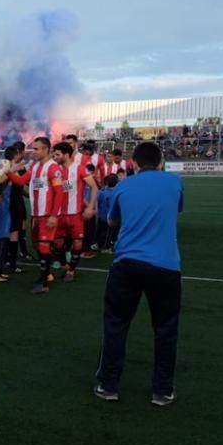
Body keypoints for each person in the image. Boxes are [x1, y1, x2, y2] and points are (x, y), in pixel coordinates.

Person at [95, 142, 183, 406]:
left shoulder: (122, 186)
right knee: (166, 330)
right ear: (160, 162)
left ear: (133, 163)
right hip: (166, 266)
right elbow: (175, 210)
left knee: (116, 324)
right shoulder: (174, 182)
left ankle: (109, 385)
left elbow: (111, 221)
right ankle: (162, 390)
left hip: (127, 263)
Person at [7, 137, 64, 294]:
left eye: (37, 149)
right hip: (37, 214)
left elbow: (59, 193)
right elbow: (21, 181)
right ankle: (47, 274)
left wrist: (53, 215)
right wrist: (8, 171)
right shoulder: (35, 166)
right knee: (39, 246)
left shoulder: (53, 168)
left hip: (47, 215)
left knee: (44, 246)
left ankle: (44, 282)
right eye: (33, 149)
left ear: (46, 150)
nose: (34, 152)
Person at [51, 142, 98, 282]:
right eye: (53, 154)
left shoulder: (79, 169)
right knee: (58, 245)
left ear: (66, 154)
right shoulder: (56, 170)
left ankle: (71, 271)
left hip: (75, 214)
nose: (55, 157)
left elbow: (94, 188)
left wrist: (90, 207)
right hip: (59, 215)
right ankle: (66, 267)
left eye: (57, 154)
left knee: (77, 244)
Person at [3, 143, 31, 274]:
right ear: (16, 155)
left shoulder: (16, 168)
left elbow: (21, 185)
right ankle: (11, 263)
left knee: (15, 231)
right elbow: (3, 183)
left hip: (15, 204)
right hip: (11, 204)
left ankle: (10, 260)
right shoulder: (7, 168)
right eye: (20, 153)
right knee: (12, 233)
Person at [93, 174, 119, 252]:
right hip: (109, 217)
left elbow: (98, 201)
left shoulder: (102, 191)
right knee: (107, 233)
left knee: (101, 231)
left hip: (101, 215)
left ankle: (99, 244)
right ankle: (105, 247)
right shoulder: (114, 193)